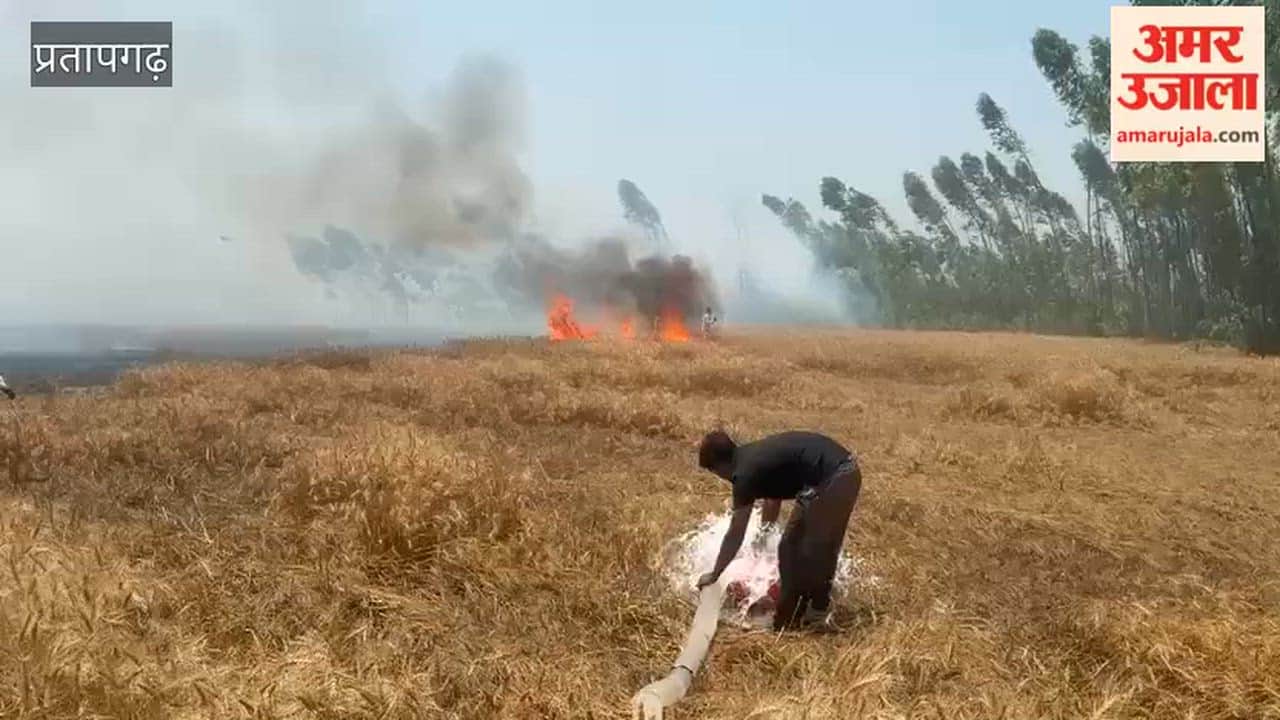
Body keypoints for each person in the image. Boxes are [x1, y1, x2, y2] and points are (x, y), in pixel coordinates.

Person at [695, 429, 861, 630]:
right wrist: (764, 534)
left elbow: (736, 532)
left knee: (794, 549)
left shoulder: (743, 474)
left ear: (718, 467)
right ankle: (816, 610)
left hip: (833, 477)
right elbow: (772, 496)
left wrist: (715, 573)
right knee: (816, 545)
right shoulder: (751, 457)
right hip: (843, 470)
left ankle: (788, 620)